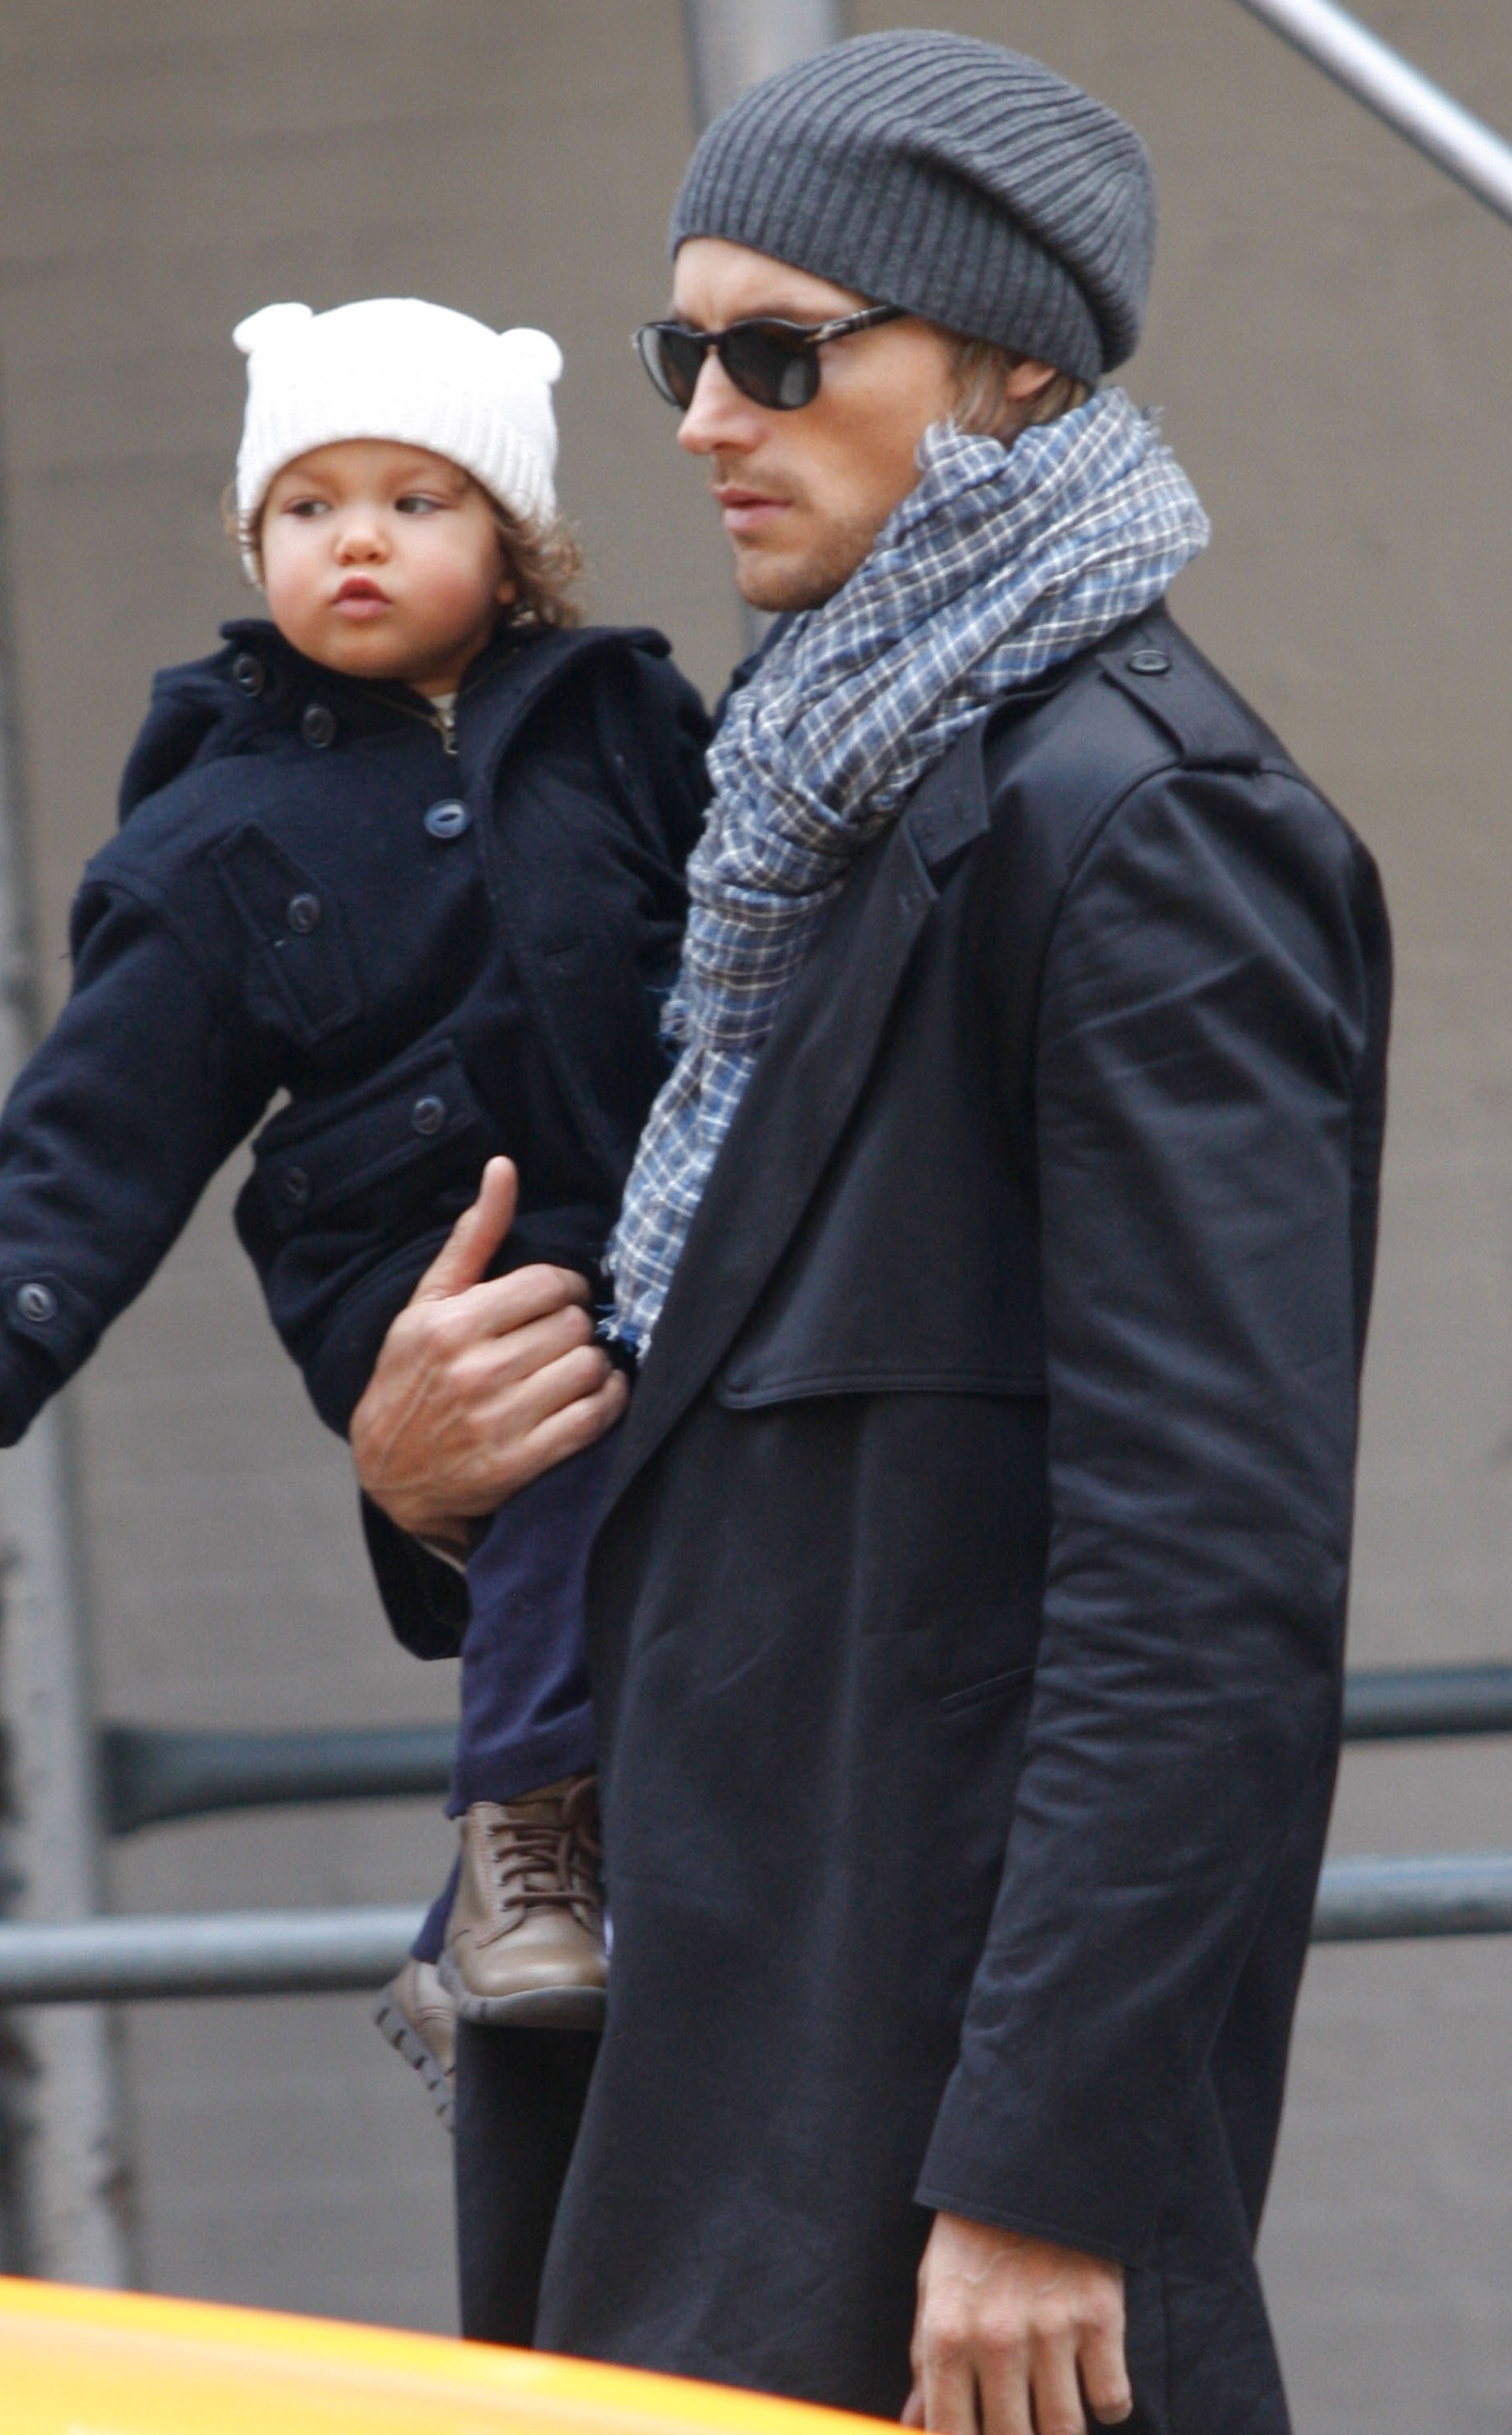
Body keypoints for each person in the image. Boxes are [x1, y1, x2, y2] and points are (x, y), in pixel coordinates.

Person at [347, 32, 1391, 2435]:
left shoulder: (1140, 832)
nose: (707, 412)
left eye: (782, 350)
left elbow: (1202, 1577)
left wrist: (1044, 2178)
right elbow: (728, 1468)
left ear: (1011, 362)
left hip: (923, 2183)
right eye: (678, 348)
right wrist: (428, 1479)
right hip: (707, 2085)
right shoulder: (803, 806)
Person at [0, 295, 713, 2123]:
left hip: (641, 1203)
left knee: (689, 1510)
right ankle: (519, 1847)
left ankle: (545, 1899)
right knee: (550, 1449)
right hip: (407, 1240)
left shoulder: (627, 721)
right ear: (256, 544)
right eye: (309, 507)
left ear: (517, 548)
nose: (358, 538)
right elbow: (108, 1114)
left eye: (415, 499)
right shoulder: (212, 828)